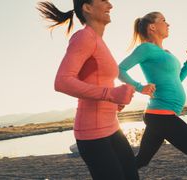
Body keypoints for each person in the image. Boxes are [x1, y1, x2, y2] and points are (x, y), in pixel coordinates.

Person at [37, 1, 139, 180]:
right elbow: (62, 81)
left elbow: (95, 81)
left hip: (113, 127)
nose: (110, 5)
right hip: (93, 135)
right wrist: (110, 94)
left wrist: (114, 102)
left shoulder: (98, 40)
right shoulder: (84, 37)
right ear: (87, 8)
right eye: (103, 1)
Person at [118, 12, 187, 180]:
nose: (168, 24)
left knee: (141, 161)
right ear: (152, 27)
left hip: (160, 115)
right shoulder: (145, 48)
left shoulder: (166, 52)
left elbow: (175, 80)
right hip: (161, 115)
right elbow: (119, 69)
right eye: (163, 20)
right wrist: (139, 87)